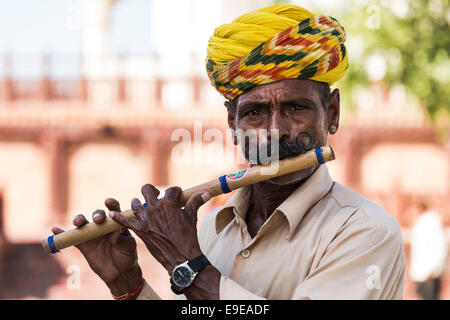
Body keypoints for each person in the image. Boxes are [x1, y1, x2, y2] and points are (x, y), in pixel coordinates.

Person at [51, 4, 405, 300]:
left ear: (332, 113)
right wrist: (127, 284)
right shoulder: (212, 229)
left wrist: (185, 261)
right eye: (254, 113)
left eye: (297, 108)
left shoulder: (366, 231)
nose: (276, 130)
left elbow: (194, 274)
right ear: (233, 124)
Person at [410, 201, 448, 300]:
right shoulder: (421, 223)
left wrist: (434, 268)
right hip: (424, 272)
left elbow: (439, 246)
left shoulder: (430, 223)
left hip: (429, 273)